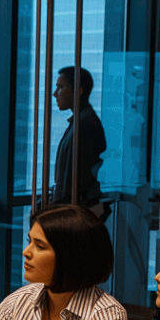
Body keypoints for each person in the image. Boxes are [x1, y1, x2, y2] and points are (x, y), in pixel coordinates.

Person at [49, 66, 106, 212]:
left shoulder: (85, 126)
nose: (55, 94)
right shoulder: (80, 123)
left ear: (78, 91)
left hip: (74, 211)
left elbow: (81, 179)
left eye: (61, 88)